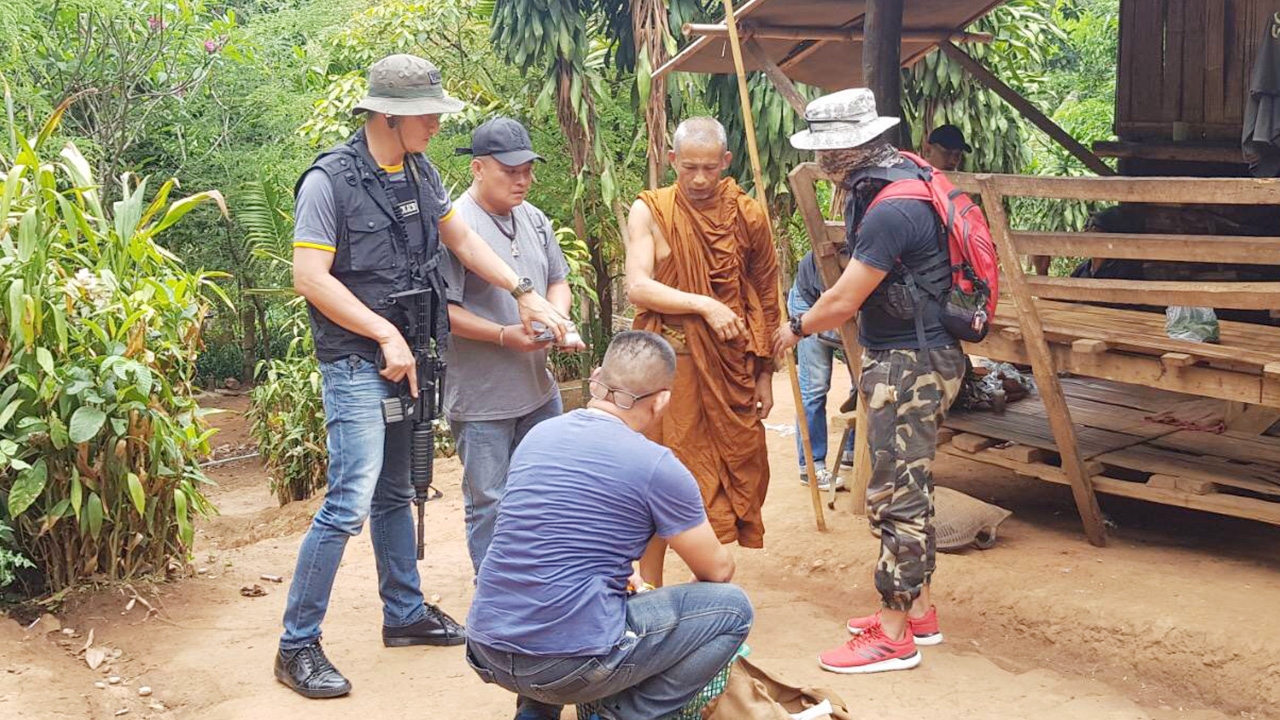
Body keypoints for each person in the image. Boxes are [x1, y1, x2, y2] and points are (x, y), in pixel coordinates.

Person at [279, 54, 571, 699]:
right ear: (389, 114)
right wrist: (382, 333)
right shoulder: (328, 181)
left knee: (394, 492)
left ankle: (404, 613)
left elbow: (464, 244)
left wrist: (524, 290)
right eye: (428, 113)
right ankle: (297, 643)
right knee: (350, 499)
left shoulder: (420, 170)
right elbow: (310, 278)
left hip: (413, 359)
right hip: (358, 362)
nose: (438, 122)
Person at [465, 331, 754, 720]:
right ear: (663, 401)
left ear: (597, 378)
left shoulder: (539, 435)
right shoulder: (658, 465)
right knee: (734, 608)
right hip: (566, 663)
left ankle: (535, 714)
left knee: (557, 603)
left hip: (487, 648)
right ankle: (622, 714)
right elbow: (717, 570)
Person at [774, 88, 965, 674]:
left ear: (849, 149)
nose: (821, 162)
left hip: (909, 366)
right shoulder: (901, 176)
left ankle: (893, 635)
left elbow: (842, 301)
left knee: (894, 498)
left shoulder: (889, 209)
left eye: (826, 151)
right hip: (922, 356)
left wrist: (795, 327)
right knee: (912, 490)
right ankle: (923, 612)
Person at [625, 116, 780, 583]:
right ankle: (649, 585)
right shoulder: (650, 210)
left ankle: (704, 590)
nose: (697, 178)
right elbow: (638, 287)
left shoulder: (747, 214)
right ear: (671, 160)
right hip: (670, 375)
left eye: (709, 168)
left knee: (725, 481)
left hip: (730, 372)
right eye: (688, 166)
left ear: (726, 163)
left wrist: (765, 373)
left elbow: (766, 295)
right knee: (660, 479)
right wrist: (704, 305)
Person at [444, 117, 582, 573]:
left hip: (539, 391)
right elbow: (442, 314)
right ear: (478, 169)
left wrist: (556, 320)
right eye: (510, 171)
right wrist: (504, 335)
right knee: (490, 502)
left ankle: (541, 581)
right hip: (482, 399)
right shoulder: (455, 226)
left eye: (527, 169)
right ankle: (497, 599)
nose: (522, 179)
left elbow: (557, 280)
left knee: (547, 491)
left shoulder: (534, 218)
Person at [788, 251, 853, 490]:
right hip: (811, 302)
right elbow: (832, 305)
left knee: (862, 378)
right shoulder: (828, 257)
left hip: (846, 304)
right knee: (815, 385)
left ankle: (852, 451)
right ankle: (812, 466)